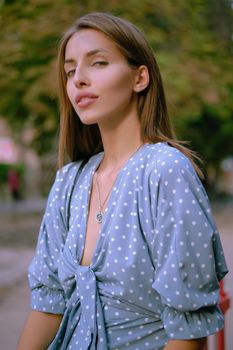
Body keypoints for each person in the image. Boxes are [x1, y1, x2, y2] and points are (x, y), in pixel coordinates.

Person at [17, 12, 228, 350]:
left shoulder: (165, 172)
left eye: (97, 63)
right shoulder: (69, 181)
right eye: (70, 71)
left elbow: (188, 333)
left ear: (140, 77)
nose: (79, 80)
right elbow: (48, 307)